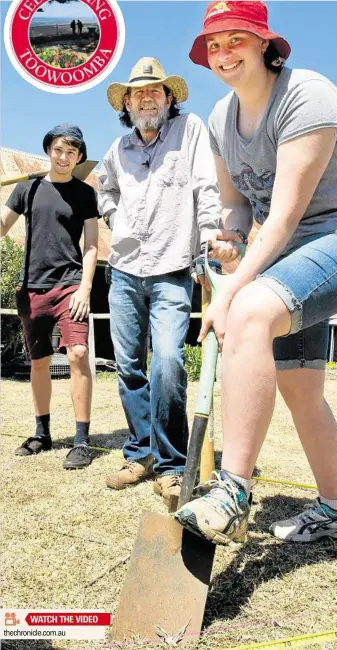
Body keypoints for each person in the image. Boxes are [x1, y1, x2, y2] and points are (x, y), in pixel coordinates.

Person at [175, 1, 337, 543]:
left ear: (264, 45)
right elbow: (240, 210)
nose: (224, 53)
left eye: (237, 40)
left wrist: (231, 293)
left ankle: (232, 489)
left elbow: (287, 214)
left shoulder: (307, 94)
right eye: (215, 44)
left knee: (248, 311)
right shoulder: (220, 120)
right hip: (286, 256)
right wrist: (229, 242)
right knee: (301, 389)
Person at [98, 57, 223, 506]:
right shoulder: (117, 149)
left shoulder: (190, 132)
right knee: (129, 366)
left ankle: (171, 465)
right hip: (125, 269)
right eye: (137, 93)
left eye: (155, 91)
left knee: (167, 360)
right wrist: (115, 215)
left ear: (169, 99)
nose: (146, 98)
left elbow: (206, 186)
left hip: (173, 266)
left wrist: (209, 235)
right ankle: (141, 453)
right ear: (126, 103)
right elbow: (104, 189)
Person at [1, 124, 100, 470]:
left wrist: (86, 288)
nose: (63, 157)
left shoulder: (85, 194)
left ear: (79, 157)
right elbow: (2, 226)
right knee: (39, 361)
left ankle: (82, 440)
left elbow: (90, 245)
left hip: (71, 284)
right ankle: (41, 433)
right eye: (58, 149)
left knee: (78, 353)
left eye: (71, 152)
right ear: (49, 150)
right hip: (32, 288)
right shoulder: (27, 190)